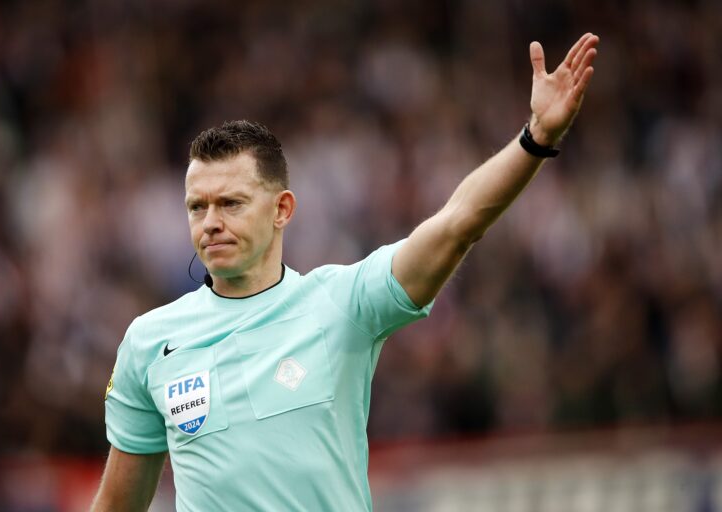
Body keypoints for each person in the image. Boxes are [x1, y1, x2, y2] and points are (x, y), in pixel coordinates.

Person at [91, 33, 599, 511]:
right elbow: (117, 506)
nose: (211, 223)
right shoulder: (150, 342)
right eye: (196, 207)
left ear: (282, 209)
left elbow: (456, 224)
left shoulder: (341, 304)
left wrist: (534, 140)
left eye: (231, 203)